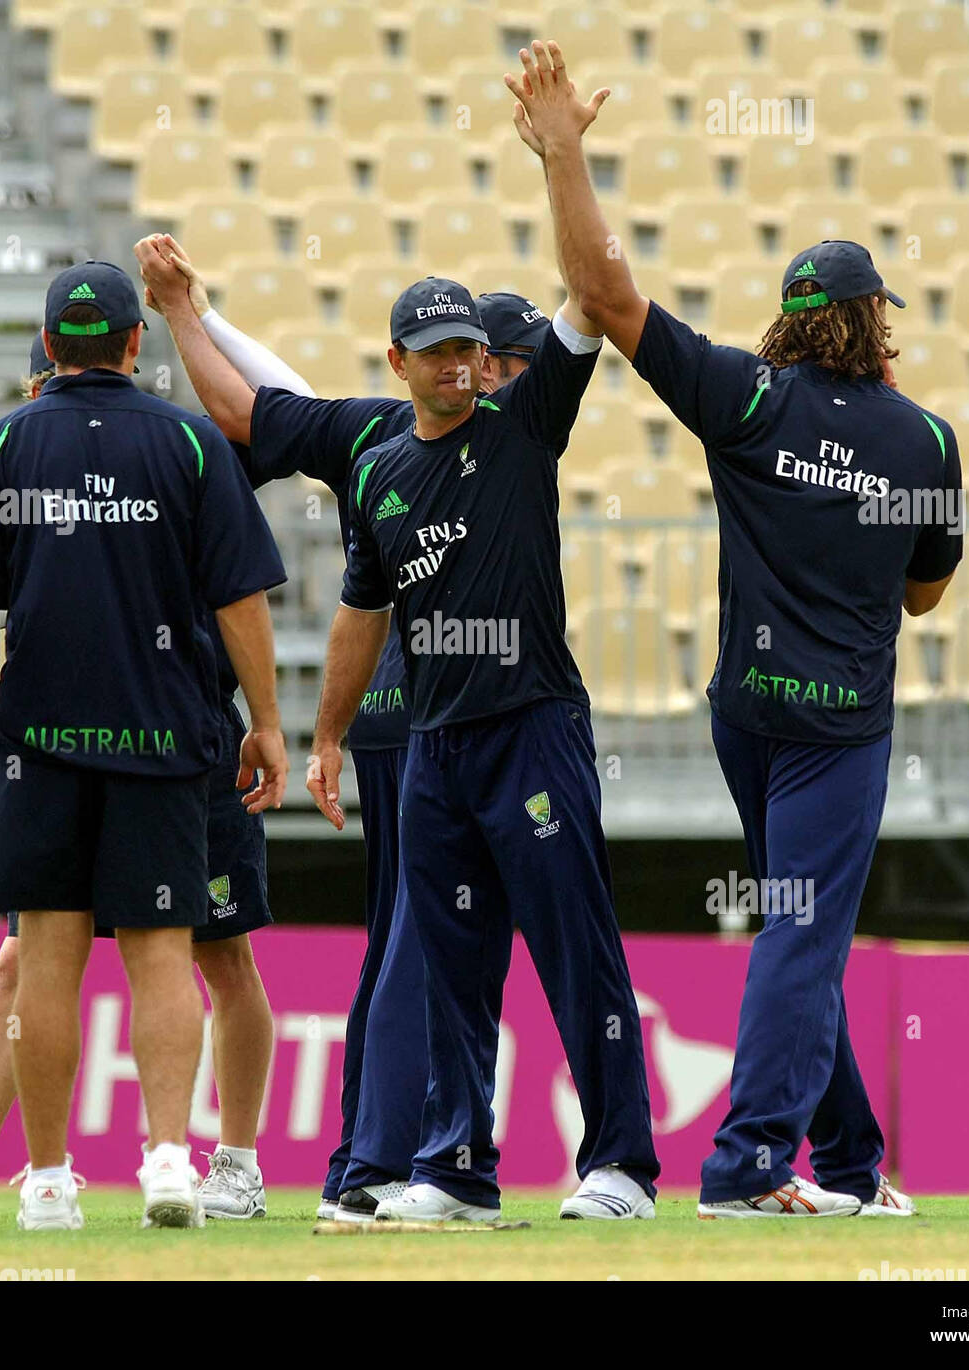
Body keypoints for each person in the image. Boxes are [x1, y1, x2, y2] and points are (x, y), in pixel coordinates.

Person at [509, 40, 962, 1218]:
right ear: (872, 323)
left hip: (746, 715)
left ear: (792, 319)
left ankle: (853, 1164)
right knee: (802, 936)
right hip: (839, 726)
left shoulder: (745, 400)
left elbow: (605, 301)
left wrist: (563, 156)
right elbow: (924, 595)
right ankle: (749, 1164)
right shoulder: (924, 441)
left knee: (794, 932)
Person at [135, 234, 559, 1221]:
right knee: (431, 933)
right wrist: (190, 312)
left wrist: (192, 314)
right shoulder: (469, 438)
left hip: (388, 715)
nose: (504, 377)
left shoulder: (388, 432)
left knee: (401, 936)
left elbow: (271, 408)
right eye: (514, 362)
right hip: (438, 716)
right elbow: (258, 411)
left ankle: (362, 1161)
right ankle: (382, 1163)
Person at [0, 261, 289, 1230]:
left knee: (44, 958)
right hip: (167, 736)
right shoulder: (194, 444)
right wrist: (270, 719)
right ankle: (169, 1158)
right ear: (138, 344)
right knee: (164, 951)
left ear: (48, 348)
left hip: (39, 741)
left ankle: (45, 1182)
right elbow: (241, 601)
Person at [306, 274, 661, 1222]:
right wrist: (328, 736)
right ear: (398, 364)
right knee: (453, 974)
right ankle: (456, 1170)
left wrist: (560, 150)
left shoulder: (521, 428)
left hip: (533, 726)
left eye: (469, 348)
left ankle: (622, 1164)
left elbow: (591, 288)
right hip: (433, 746)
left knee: (575, 948)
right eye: (437, 351)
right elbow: (361, 610)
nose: (460, 364)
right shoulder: (379, 472)